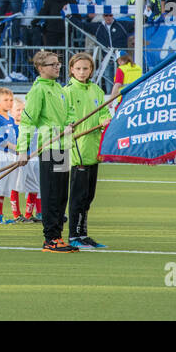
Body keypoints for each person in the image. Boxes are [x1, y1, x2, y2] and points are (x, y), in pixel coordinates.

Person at [15, 50, 76, 253]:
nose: (58, 67)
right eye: (52, 64)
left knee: (61, 195)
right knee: (51, 195)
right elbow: (27, 121)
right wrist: (22, 150)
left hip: (63, 146)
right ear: (41, 68)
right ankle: (50, 238)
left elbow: (68, 113)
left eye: (58, 63)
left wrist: (70, 124)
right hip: (49, 147)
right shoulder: (38, 90)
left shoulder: (59, 88)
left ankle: (58, 235)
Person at [65, 52, 108, 250]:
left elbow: (103, 113)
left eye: (86, 68)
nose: (82, 72)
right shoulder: (67, 92)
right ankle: (74, 234)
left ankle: (83, 233)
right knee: (78, 196)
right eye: (78, 69)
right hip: (77, 149)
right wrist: (69, 125)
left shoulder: (97, 90)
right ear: (71, 70)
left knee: (89, 197)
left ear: (91, 70)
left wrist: (104, 121)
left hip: (93, 148)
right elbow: (65, 116)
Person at [0, 87, 19, 223]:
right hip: (0, 155)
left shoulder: (11, 120)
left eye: (11, 100)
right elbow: (0, 140)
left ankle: (0, 214)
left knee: (5, 187)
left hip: (10, 156)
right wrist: (15, 147)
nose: (9, 102)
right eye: (5, 100)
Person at [10, 96, 39, 222]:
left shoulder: (29, 127)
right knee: (15, 186)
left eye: (23, 110)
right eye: (17, 109)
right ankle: (16, 215)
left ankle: (28, 214)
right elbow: (5, 143)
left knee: (33, 186)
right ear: (11, 111)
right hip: (17, 160)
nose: (21, 112)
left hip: (30, 160)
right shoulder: (10, 127)